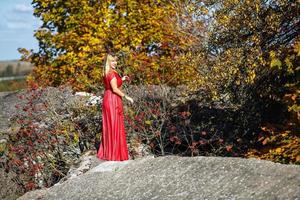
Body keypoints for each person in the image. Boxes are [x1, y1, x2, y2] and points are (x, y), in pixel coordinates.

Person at [97, 54, 134, 161]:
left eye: (116, 61)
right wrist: (126, 97)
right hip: (113, 100)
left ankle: (110, 151)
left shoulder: (107, 73)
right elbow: (114, 89)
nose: (115, 63)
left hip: (108, 98)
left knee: (111, 125)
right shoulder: (112, 74)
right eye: (112, 61)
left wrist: (121, 79)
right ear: (108, 62)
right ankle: (115, 154)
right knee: (114, 125)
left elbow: (112, 85)